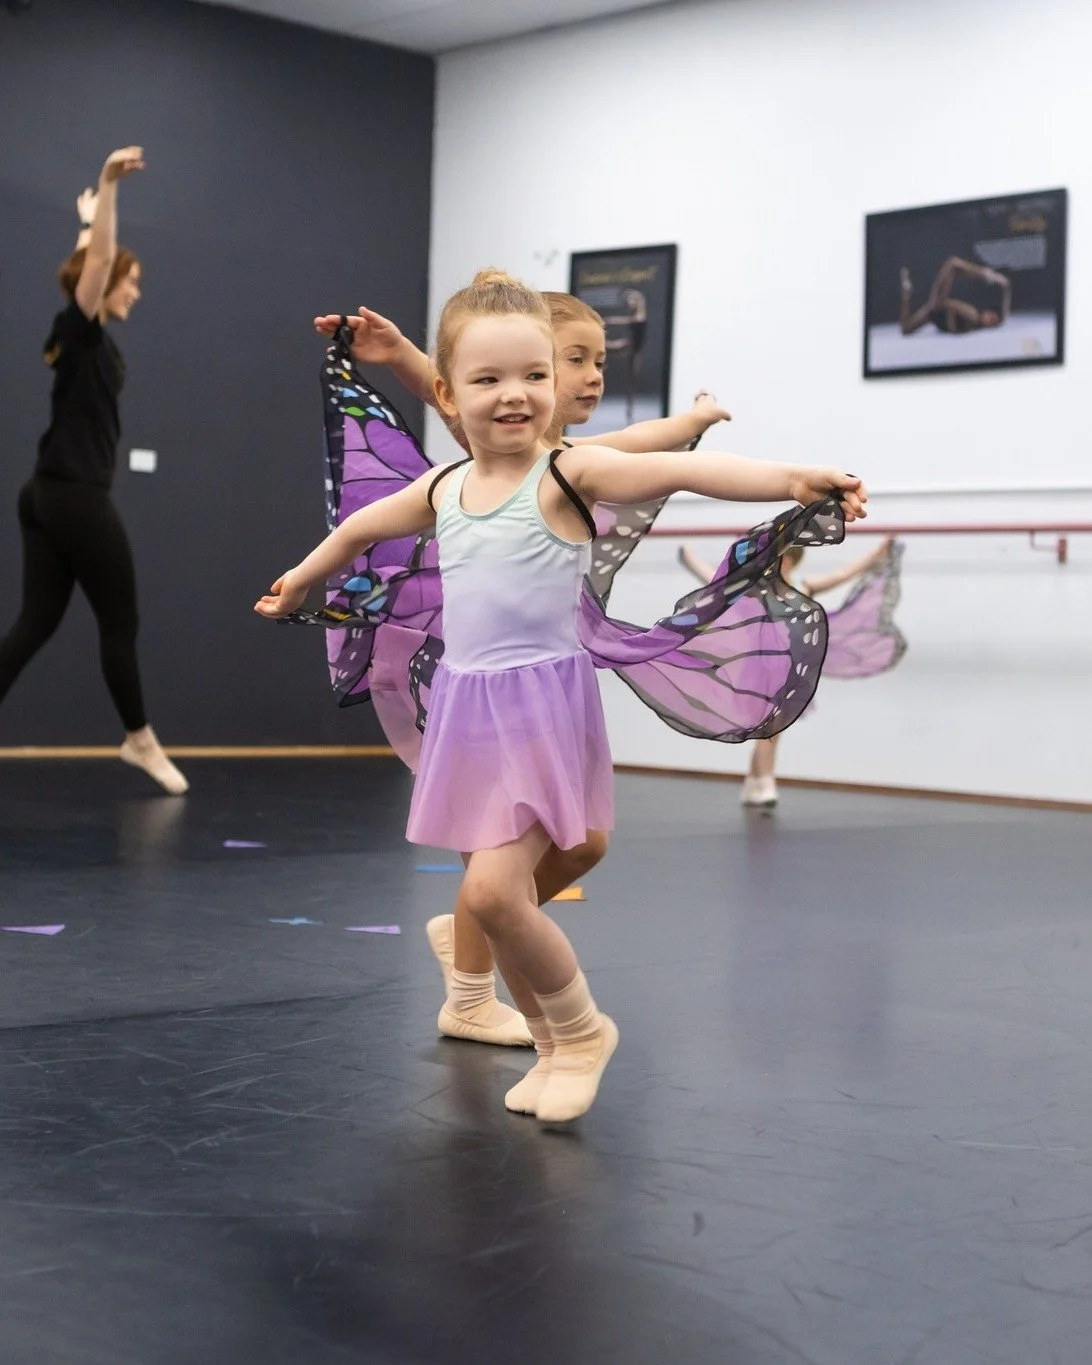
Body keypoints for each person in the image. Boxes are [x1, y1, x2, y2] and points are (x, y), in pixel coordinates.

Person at [258, 268, 867, 1122]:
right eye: (490, 380)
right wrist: (301, 580)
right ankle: (548, 1035)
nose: (517, 395)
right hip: (469, 710)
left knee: (534, 875)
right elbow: (361, 526)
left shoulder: (570, 473)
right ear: (448, 393)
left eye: (535, 376)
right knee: (500, 890)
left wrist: (790, 477)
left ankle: (577, 1033)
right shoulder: (446, 490)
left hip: (542, 706)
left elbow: (684, 471)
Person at [314, 294, 730, 1049]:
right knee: (492, 850)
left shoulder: (567, 456)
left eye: (598, 361)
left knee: (585, 843)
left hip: (541, 658)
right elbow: (443, 387)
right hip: (471, 656)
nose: (591, 375)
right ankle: (475, 993)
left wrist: (697, 421)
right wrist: (403, 346)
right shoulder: (490, 443)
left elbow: (648, 439)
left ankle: (473, 927)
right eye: (575, 359)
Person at [0, 147, 187, 795]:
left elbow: (92, 259)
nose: (135, 287)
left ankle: (138, 739)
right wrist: (109, 185)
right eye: (129, 280)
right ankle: (140, 739)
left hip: (43, 495)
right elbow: (101, 262)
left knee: (35, 623)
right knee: (120, 624)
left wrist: (87, 219)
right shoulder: (78, 329)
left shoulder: (87, 335)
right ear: (105, 286)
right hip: (76, 497)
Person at [679, 538, 895, 807]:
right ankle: (765, 781)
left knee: (773, 730)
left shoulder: (803, 587)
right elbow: (715, 580)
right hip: (758, 669)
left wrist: (875, 552)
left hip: (788, 668)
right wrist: (689, 556)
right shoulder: (755, 590)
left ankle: (754, 782)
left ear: (787, 560)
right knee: (770, 729)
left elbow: (843, 574)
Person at [899, 258, 1010, 336]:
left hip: (937, 309)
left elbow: (947, 303)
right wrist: (1006, 288)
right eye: (991, 318)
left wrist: (934, 301)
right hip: (936, 315)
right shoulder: (974, 315)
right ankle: (906, 294)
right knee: (906, 329)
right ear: (987, 311)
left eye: (992, 323)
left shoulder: (973, 315)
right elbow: (1005, 312)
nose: (989, 321)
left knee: (952, 264)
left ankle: (985, 274)